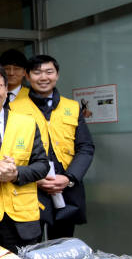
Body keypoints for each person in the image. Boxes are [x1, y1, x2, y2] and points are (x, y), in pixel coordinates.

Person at [0, 64, 48, 252]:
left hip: (23, 220)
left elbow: (42, 165)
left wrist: (15, 174)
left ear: (6, 90)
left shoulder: (27, 123)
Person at [16, 55, 95, 239]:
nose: (43, 77)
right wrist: (33, 178)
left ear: (57, 75)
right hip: (31, 187)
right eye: (37, 72)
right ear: (27, 76)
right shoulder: (13, 108)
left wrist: (69, 178)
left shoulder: (73, 107)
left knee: (62, 248)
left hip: (65, 185)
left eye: (49, 72)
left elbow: (85, 147)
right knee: (30, 246)